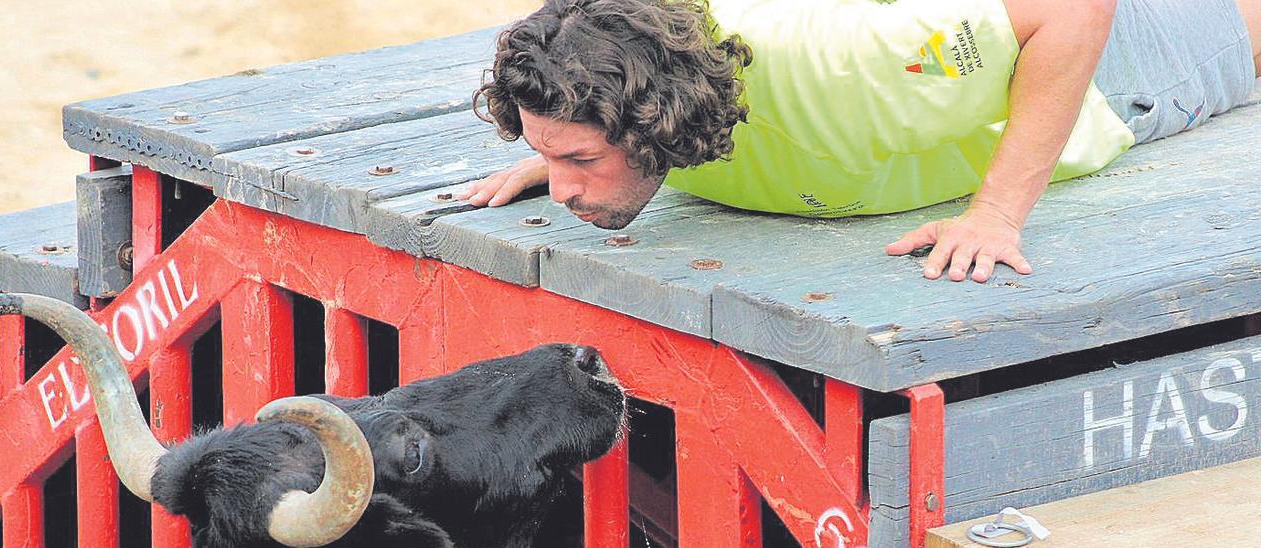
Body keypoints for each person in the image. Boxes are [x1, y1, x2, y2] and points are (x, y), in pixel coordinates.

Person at [461, 0, 1260, 282]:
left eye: (582, 161)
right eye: (558, 157)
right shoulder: (635, 91)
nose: (565, 188)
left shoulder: (839, 77)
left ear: (656, 122)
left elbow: (1079, 9)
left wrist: (996, 217)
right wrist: (559, 149)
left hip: (1106, 71)